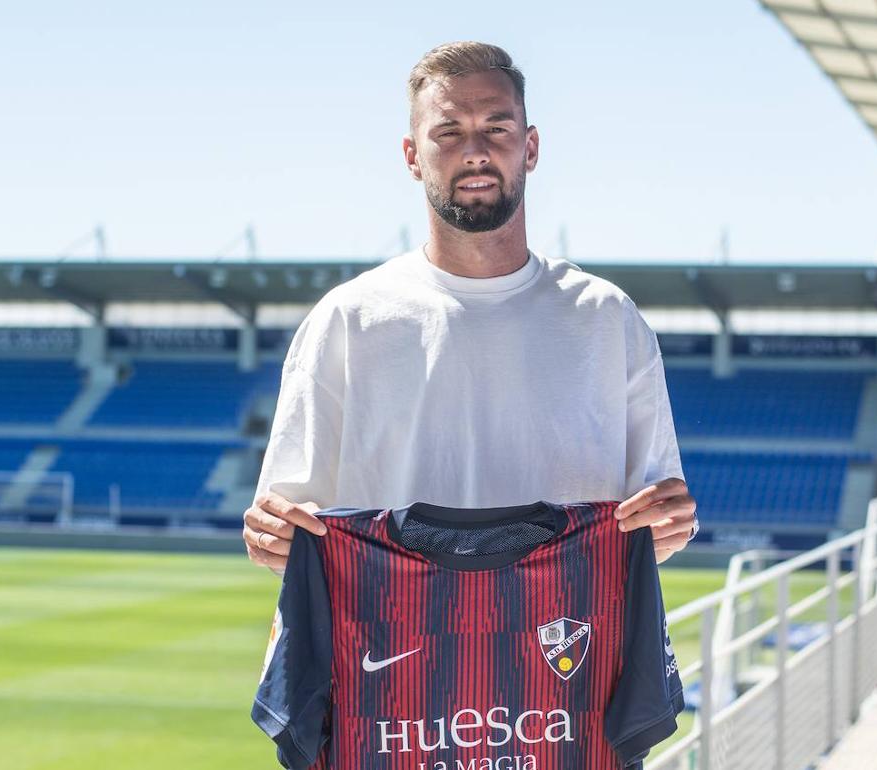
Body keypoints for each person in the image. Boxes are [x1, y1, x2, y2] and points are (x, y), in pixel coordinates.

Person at [243, 41, 697, 575]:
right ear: (412, 155)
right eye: (449, 131)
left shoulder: (606, 319)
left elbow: (658, 517)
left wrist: (670, 520)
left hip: (559, 648)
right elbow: (289, 525)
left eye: (497, 129)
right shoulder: (348, 320)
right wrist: (272, 535)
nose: (476, 150)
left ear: (530, 148)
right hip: (397, 648)